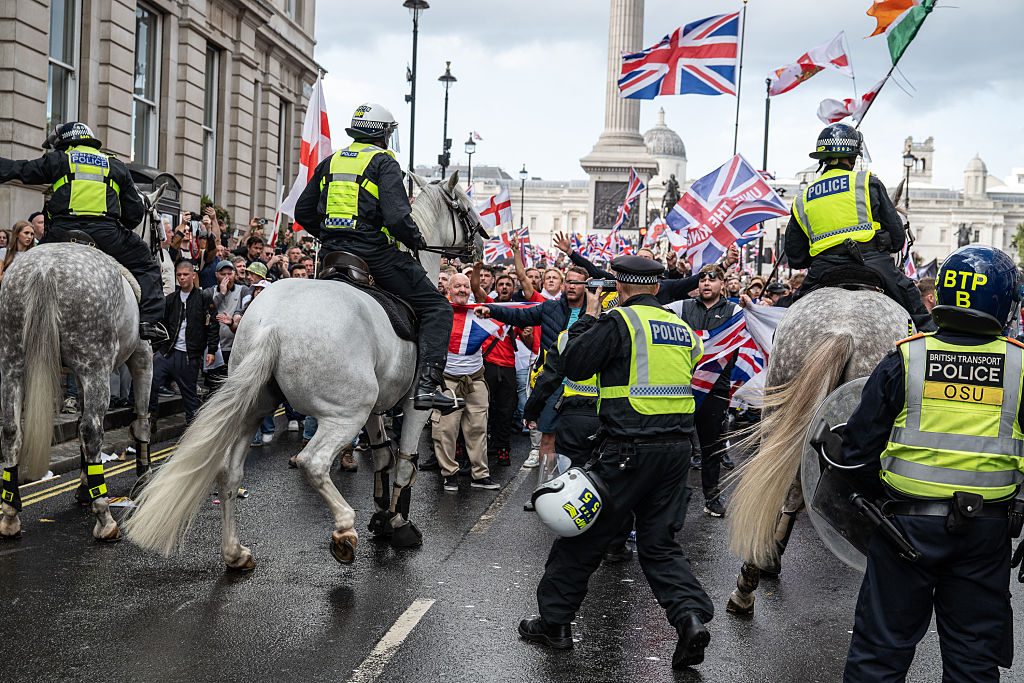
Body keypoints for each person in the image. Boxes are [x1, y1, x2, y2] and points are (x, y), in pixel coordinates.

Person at [519, 256, 714, 670]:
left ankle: (554, 623)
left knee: (583, 537)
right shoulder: (682, 330)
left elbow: (574, 363)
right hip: (676, 452)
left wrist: (590, 315)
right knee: (660, 545)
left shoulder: (619, 322)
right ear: (657, 288)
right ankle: (690, 619)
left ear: (618, 286)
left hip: (626, 450)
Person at [840, 245, 1023, 682]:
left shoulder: (908, 356)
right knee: (973, 660)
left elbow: (858, 449)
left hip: (903, 529)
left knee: (879, 657)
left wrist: (867, 508)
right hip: (987, 533)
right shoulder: (1020, 363)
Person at [293, 102, 455, 413]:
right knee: (437, 307)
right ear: (382, 134)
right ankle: (427, 386)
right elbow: (396, 218)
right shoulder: (384, 162)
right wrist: (416, 239)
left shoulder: (331, 161)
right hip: (372, 253)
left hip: (331, 254)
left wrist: (328, 234)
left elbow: (303, 212)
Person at [0, 122, 168, 341]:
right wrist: (120, 223)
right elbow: (134, 212)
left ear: (63, 143)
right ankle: (149, 323)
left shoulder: (60, 159)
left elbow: (20, 170)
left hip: (60, 233)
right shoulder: (115, 165)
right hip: (106, 233)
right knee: (147, 264)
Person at [786, 123, 934, 331]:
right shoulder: (866, 182)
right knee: (916, 310)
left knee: (788, 324)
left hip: (823, 268)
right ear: (854, 156)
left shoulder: (802, 198)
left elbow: (795, 256)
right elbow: (898, 239)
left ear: (822, 158)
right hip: (872, 261)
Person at [668, 263, 740, 517]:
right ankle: (673, 499)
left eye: (712, 279)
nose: (706, 284)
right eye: (702, 280)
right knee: (677, 446)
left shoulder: (735, 311)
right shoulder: (684, 308)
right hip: (683, 387)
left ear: (722, 283)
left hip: (715, 390)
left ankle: (712, 497)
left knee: (711, 448)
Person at [432, 272, 501, 492]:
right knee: (446, 429)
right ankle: (449, 474)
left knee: (478, 428)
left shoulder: (480, 312)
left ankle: (480, 475)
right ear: (448, 289)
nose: (462, 290)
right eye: (457, 286)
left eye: (466, 286)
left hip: (476, 381)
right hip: (447, 382)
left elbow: (506, 316)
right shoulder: (439, 311)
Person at [149, 260, 219, 424]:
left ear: (193, 276)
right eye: (179, 275)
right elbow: (162, 325)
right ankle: (150, 418)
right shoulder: (172, 299)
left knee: (189, 395)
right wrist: (156, 348)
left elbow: (213, 325)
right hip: (168, 352)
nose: (182, 278)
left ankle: (192, 426)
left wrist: (211, 350)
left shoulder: (203, 298)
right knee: (151, 382)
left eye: (185, 274)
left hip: (189, 356)